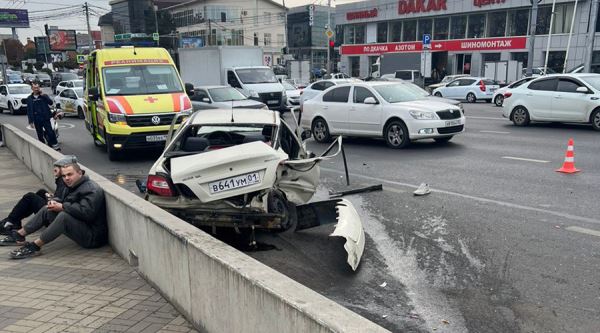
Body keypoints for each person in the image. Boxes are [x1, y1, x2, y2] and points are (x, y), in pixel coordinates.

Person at [1, 162, 107, 259]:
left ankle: (35, 247)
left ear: (80, 173)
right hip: (81, 227)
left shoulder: (92, 189)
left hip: (93, 237)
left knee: (63, 217)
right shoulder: (71, 185)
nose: (66, 178)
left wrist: (62, 207)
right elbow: (63, 200)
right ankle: (19, 235)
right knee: (48, 209)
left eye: (70, 174)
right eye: (64, 176)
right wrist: (54, 202)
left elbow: (87, 213)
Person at [0, 156, 75, 236]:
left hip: (53, 216)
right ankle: (15, 221)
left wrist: (50, 198)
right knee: (41, 192)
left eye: (58, 167)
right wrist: (50, 196)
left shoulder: (64, 181)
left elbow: (58, 202)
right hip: (58, 211)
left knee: (30, 197)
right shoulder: (68, 178)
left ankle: (10, 222)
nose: (54, 169)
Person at [26, 82, 60, 150]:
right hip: (36, 119)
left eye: (37, 87)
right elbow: (29, 110)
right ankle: (43, 147)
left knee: (50, 132)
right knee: (40, 134)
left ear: (39, 88)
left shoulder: (44, 96)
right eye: (34, 88)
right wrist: (31, 121)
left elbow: (50, 102)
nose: (36, 89)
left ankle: (55, 145)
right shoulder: (29, 98)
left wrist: (43, 95)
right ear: (32, 89)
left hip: (45, 118)